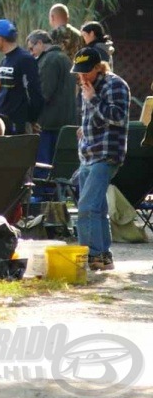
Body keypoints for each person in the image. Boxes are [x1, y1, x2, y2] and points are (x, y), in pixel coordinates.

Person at [71, 47, 130, 271]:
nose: (82, 77)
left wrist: (94, 99)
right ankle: (103, 256)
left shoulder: (115, 84)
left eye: (86, 72)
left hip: (106, 154)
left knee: (86, 206)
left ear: (99, 67)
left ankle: (91, 256)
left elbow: (117, 116)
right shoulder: (87, 86)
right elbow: (96, 119)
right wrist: (84, 129)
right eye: (79, 72)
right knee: (97, 208)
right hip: (87, 153)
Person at [26, 29, 77, 170]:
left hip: (49, 125)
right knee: (59, 169)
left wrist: (32, 117)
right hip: (66, 123)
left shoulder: (49, 60)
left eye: (32, 48)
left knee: (44, 168)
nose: (31, 53)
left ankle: (43, 192)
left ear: (40, 43)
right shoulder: (65, 58)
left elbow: (43, 94)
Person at [0, 19, 43, 135]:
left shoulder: (25, 59)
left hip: (19, 124)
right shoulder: (5, 60)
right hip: (3, 121)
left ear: (1, 38)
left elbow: (35, 92)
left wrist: (31, 119)